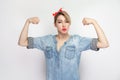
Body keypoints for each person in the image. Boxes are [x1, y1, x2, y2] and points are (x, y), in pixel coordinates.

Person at [18, 8, 109, 80]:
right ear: (55, 24)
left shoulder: (77, 41)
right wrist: (28, 21)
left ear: (70, 24)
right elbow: (22, 42)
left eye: (66, 21)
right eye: (60, 22)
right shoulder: (46, 40)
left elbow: (104, 43)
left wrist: (94, 22)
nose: (64, 25)